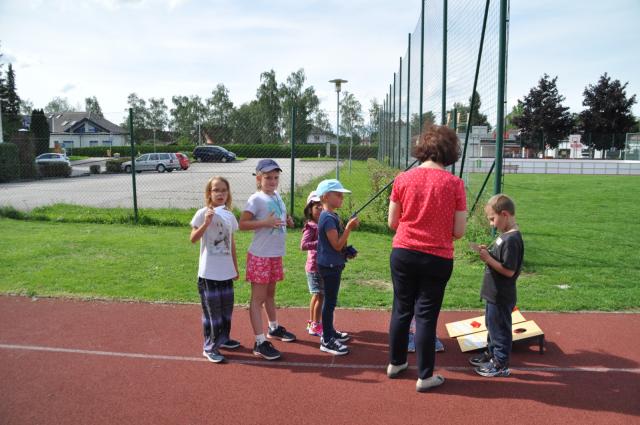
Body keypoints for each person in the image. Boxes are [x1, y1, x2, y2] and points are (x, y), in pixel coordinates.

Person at [386, 125, 467, 392]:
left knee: (401, 309)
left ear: (422, 148)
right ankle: (425, 375)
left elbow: (392, 222)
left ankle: (396, 363)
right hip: (437, 257)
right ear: (450, 150)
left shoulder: (403, 179)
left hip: (404, 252)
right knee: (426, 315)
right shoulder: (455, 184)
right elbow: (459, 231)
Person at [239, 159, 296, 361]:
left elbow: (278, 216)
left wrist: (287, 219)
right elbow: (242, 224)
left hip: (274, 255)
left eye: (275, 177)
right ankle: (259, 342)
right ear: (258, 178)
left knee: (270, 295)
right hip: (260, 256)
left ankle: (273, 328)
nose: (272, 181)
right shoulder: (256, 199)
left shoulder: (277, 196)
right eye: (268, 177)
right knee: (258, 298)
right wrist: (266, 222)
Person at [470, 194, 524, 377]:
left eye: (493, 219)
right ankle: (491, 354)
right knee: (491, 325)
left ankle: (500, 364)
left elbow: (509, 270)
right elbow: (499, 259)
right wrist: (489, 253)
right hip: (493, 293)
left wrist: (487, 259)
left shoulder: (512, 240)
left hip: (501, 294)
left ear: (505, 214)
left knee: (500, 330)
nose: (492, 224)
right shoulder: (504, 236)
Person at [189, 176, 240, 363]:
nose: (220, 194)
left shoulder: (229, 215)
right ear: (209, 193)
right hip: (209, 273)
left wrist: (235, 267)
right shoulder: (203, 213)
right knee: (213, 312)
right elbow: (193, 238)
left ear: (228, 194)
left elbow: (231, 243)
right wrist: (206, 223)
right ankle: (209, 347)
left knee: (227, 310)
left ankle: (223, 339)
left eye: (224, 190)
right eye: (216, 190)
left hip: (226, 272)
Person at [315, 179, 359, 355]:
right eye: (338, 194)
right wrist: (349, 228)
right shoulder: (327, 218)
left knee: (330, 302)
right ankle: (327, 340)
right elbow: (336, 245)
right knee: (330, 302)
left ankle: (329, 331)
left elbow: (339, 245)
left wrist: (346, 251)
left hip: (333, 263)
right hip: (329, 265)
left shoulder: (332, 216)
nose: (341, 197)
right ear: (326, 196)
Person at [300, 191, 324, 337]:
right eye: (317, 207)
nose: (320, 209)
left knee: (317, 296)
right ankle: (315, 325)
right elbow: (303, 245)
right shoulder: (311, 226)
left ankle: (312, 322)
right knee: (319, 296)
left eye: (322, 206)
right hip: (314, 267)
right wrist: (320, 243)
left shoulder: (320, 224)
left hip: (319, 265)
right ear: (310, 209)